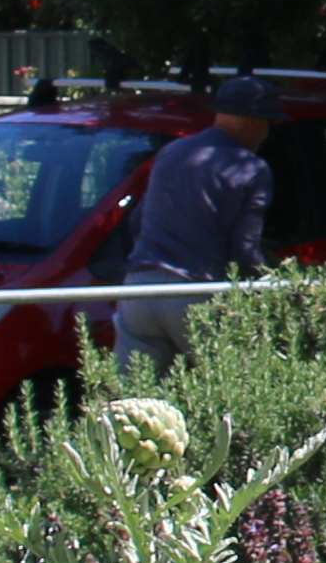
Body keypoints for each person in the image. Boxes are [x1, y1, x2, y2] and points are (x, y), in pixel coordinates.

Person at [115, 74, 280, 374]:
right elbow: (245, 249)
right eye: (269, 125)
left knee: (130, 399)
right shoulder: (252, 169)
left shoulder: (171, 152)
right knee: (236, 389)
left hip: (138, 289)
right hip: (195, 290)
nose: (266, 134)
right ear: (254, 123)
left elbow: (137, 222)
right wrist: (271, 287)